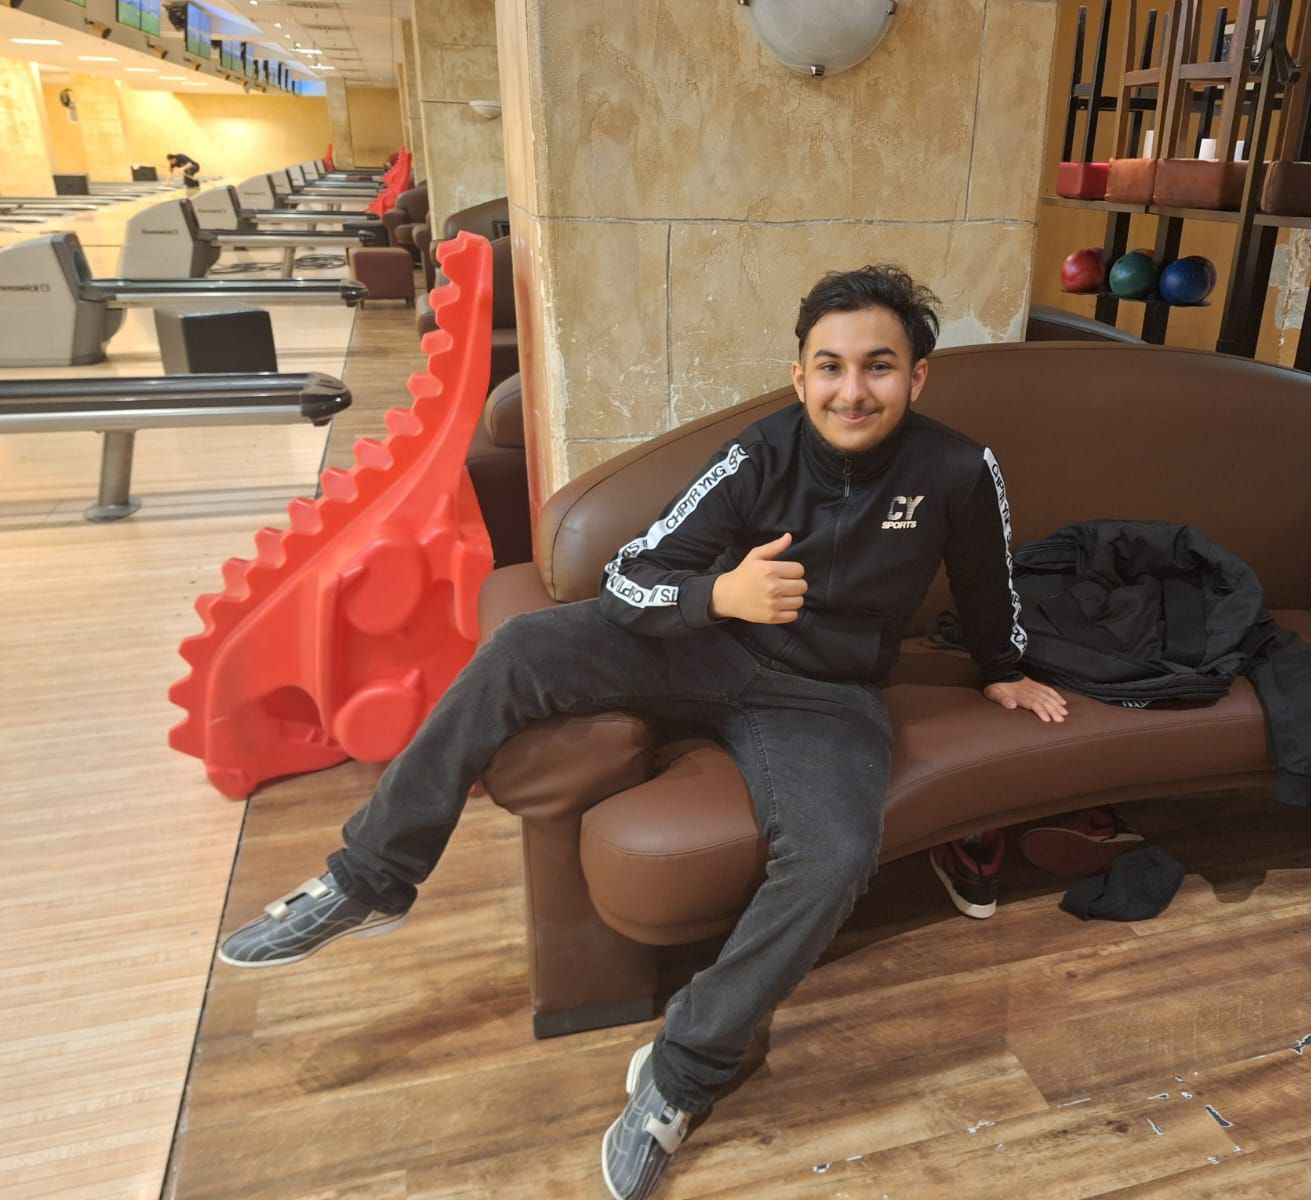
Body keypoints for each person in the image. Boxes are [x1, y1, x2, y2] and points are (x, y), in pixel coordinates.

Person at [216, 264, 1069, 1200]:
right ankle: (371, 877)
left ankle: (682, 1071)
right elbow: (630, 575)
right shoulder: (758, 456)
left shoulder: (956, 468)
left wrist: (1004, 669)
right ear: (799, 377)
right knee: (523, 647)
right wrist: (720, 595)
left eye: (879, 365)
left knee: (834, 854)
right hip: (704, 648)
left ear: (916, 377)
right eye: (830, 366)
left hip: (824, 697)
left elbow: (990, 581)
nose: (852, 390)